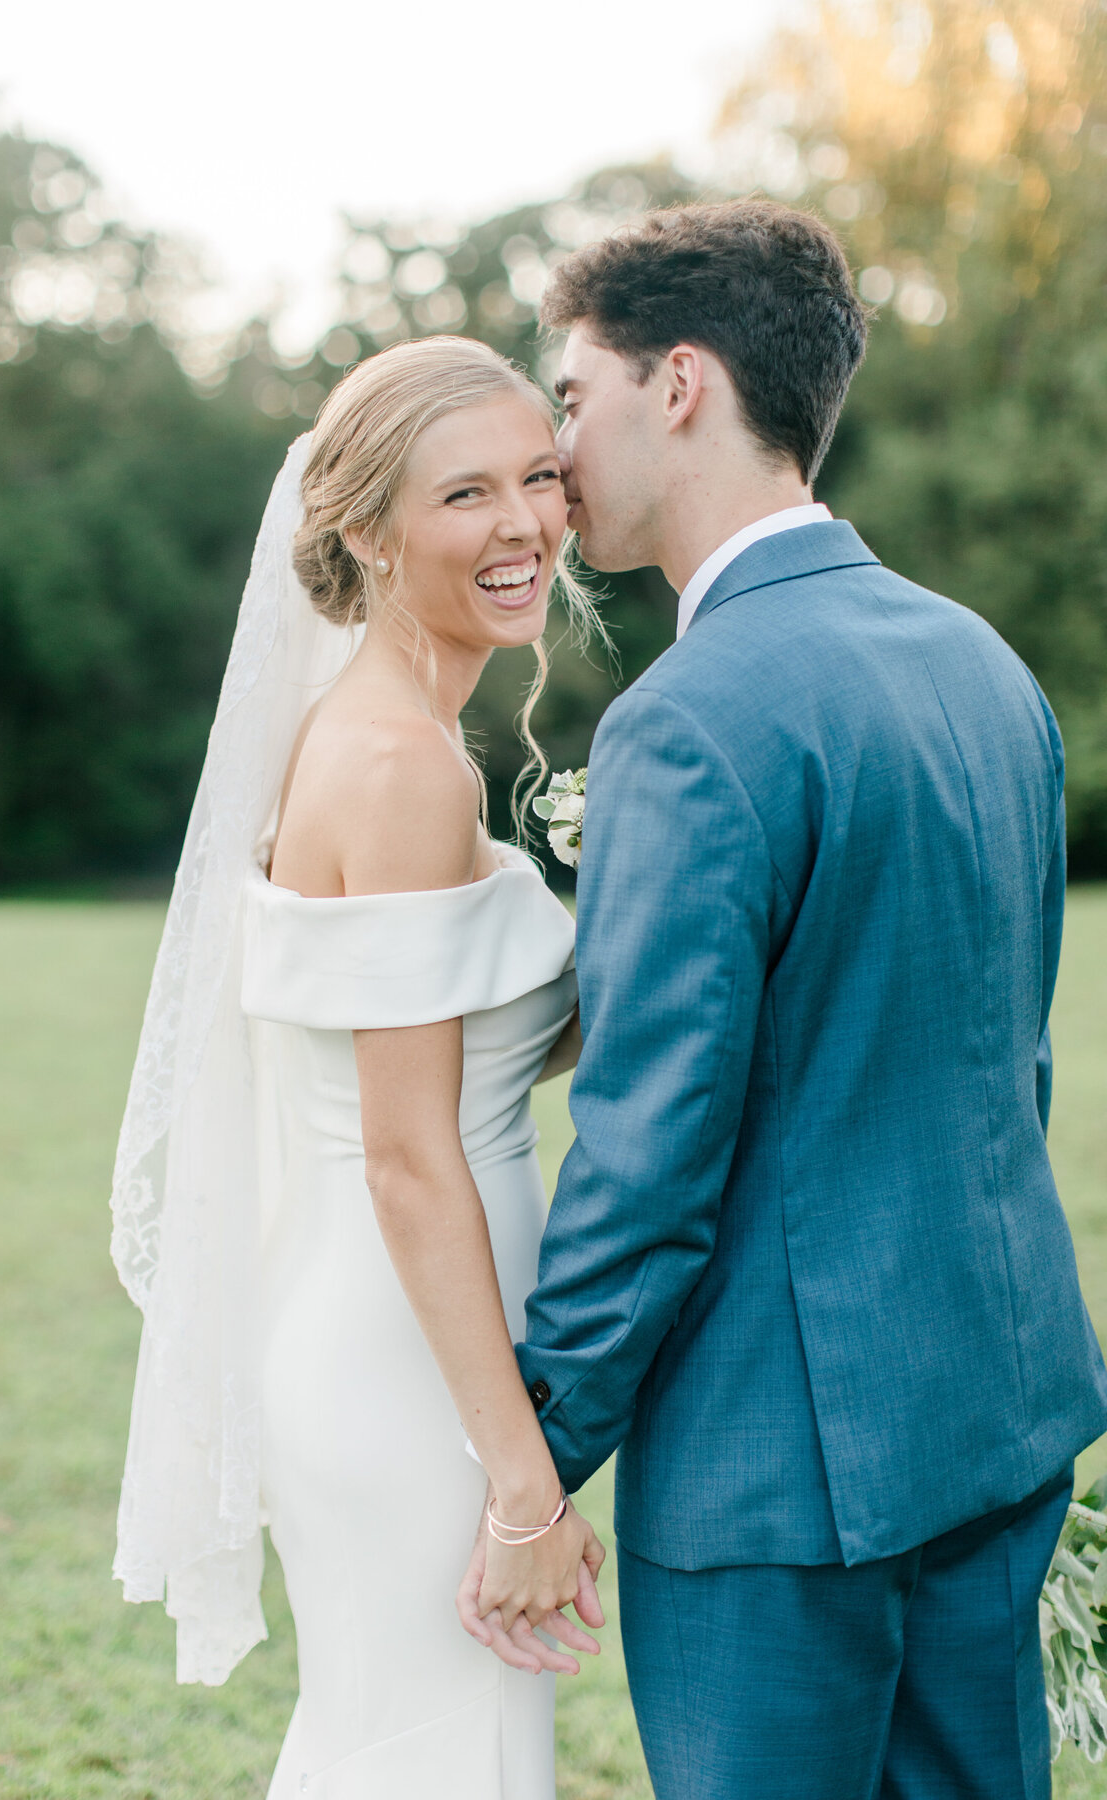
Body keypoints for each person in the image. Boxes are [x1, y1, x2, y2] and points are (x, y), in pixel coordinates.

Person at [463, 200, 1107, 1798]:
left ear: (679, 384)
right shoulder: (983, 665)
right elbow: (1001, 1064)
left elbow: (650, 1154)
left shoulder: (688, 721)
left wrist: (531, 1462)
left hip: (781, 1464)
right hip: (998, 1400)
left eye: (572, 392)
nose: (558, 444)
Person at [110, 334, 606, 1800]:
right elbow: (406, 1149)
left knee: (421, 1740)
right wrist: (517, 1475)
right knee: (426, 1751)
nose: (522, 525)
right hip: (408, 1356)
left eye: (538, 477)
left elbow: (478, 1046)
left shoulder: (383, 736)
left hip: (409, 1329)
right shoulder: (398, 769)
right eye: (466, 495)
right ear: (369, 533)